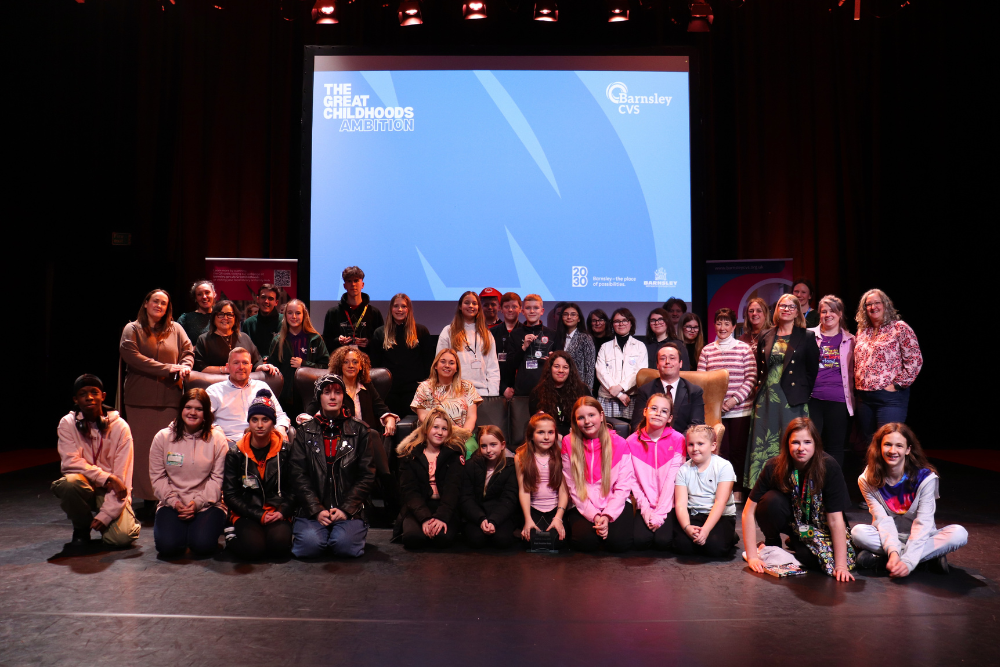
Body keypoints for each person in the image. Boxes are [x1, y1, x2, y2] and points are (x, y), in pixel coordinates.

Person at [743, 417, 856, 581]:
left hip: (819, 528)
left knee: (814, 560)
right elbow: (748, 511)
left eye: (807, 442)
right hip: (793, 523)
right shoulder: (773, 466)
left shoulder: (829, 467)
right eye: (795, 442)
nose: (801, 448)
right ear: (787, 444)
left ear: (816, 443)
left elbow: (835, 519)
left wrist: (840, 566)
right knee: (770, 501)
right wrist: (752, 557)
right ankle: (771, 542)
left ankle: (795, 543)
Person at [852, 423, 967, 576]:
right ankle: (927, 560)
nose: (893, 451)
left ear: (908, 449)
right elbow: (882, 520)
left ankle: (883, 561)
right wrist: (893, 551)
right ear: (879, 447)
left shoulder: (926, 478)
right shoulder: (867, 479)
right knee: (858, 533)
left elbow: (923, 523)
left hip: (922, 537)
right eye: (887, 444)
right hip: (887, 537)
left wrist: (908, 562)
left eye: (899, 446)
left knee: (959, 534)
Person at [119, 288, 194, 516]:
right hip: (140, 400)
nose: (159, 306)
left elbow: (188, 351)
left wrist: (186, 365)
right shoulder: (132, 329)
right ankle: (146, 498)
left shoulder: (176, 329)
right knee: (142, 452)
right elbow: (132, 357)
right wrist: (168, 368)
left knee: (167, 452)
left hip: (170, 398)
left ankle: (165, 495)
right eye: (155, 301)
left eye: (164, 303)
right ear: (146, 303)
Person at [289, 374, 376, 558]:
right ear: (319, 397)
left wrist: (346, 509)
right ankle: (320, 533)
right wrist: (316, 509)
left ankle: (341, 532)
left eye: (338, 392)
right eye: (327, 392)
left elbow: (366, 475)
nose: (333, 397)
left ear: (344, 397)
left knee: (344, 546)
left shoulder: (360, 431)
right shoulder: (304, 432)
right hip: (312, 510)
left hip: (349, 509)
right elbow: (298, 475)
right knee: (309, 548)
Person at [52, 374, 140, 548]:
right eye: (83, 393)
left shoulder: (120, 427)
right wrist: (107, 478)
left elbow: (122, 478)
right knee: (69, 483)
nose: (89, 397)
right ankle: (81, 528)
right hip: (84, 486)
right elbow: (70, 463)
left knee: (121, 539)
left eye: (94, 392)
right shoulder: (67, 423)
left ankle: (122, 519)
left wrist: (106, 515)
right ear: (75, 399)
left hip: (112, 492)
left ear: (103, 396)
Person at [745, 293, 819, 489]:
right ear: (777, 310)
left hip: (792, 400)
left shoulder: (807, 336)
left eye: (791, 306)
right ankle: (762, 487)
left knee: (791, 441)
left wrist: (803, 394)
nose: (786, 309)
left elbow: (812, 371)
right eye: (782, 306)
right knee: (764, 445)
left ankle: (793, 487)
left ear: (797, 312)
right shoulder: (766, 334)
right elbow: (761, 368)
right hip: (767, 399)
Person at [149, 388, 228, 556]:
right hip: (172, 503)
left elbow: (218, 479)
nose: (193, 412)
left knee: (202, 546)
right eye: (188, 407)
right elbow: (158, 478)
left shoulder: (218, 439)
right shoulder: (162, 438)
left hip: (208, 504)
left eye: (199, 409)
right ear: (181, 410)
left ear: (206, 413)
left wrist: (196, 504)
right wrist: (175, 502)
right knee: (168, 548)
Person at [222, 389, 295, 560]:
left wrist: (283, 511)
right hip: (247, 512)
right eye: (254, 420)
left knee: (279, 547)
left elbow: (294, 489)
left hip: (276, 511)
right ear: (249, 422)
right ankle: (231, 534)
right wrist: (259, 515)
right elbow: (231, 495)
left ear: (273, 423)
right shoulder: (236, 453)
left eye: (265, 420)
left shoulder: (286, 451)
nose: (260, 425)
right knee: (254, 550)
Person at [561, 397, 635, 552]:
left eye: (591, 415)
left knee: (619, 543)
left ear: (601, 416)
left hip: (614, 502)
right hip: (583, 502)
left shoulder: (620, 443)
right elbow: (573, 487)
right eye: (581, 418)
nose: (587, 421)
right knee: (585, 543)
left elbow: (623, 486)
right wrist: (594, 515)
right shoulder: (568, 443)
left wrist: (607, 516)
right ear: (575, 421)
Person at [854, 288, 923, 447]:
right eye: (868, 304)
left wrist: (897, 384)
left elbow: (914, 359)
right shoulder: (863, 331)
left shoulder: (899, 327)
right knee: (869, 445)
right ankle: (873, 473)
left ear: (885, 304)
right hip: (864, 398)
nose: (873, 307)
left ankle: (892, 473)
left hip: (890, 398)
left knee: (889, 442)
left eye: (877, 303)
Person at [697, 307, 755, 498]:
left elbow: (751, 378)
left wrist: (732, 401)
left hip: (740, 410)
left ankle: (736, 490)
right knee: (720, 452)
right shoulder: (707, 350)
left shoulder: (743, 349)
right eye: (719, 323)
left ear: (733, 327)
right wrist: (716, 403)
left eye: (726, 323)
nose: (722, 327)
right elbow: (701, 380)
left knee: (738, 452)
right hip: (714, 412)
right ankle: (720, 490)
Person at [395, 409, 467, 549]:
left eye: (444, 429)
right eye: (435, 427)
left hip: (444, 506)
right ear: (426, 429)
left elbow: (453, 490)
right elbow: (410, 492)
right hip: (419, 506)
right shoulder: (411, 455)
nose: (440, 432)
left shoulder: (453, 456)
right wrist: (425, 518)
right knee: (413, 538)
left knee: (442, 539)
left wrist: (441, 517)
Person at [627, 393, 686, 551]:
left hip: (668, 504)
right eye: (654, 408)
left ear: (669, 418)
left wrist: (659, 514)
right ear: (645, 411)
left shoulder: (678, 440)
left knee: (663, 541)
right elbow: (633, 482)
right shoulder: (631, 442)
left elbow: (673, 481)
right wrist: (646, 511)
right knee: (640, 541)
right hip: (645, 503)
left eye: (664, 411)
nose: (658, 413)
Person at [673, 424, 738, 557]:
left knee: (716, 549)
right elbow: (680, 503)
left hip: (720, 516)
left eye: (700, 444)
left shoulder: (724, 466)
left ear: (713, 446)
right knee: (682, 547)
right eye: (691, 444)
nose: (695, 448)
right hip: (695, 514)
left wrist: (706, 530)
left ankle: (731, 536)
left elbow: (720, 502)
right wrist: (687, 527)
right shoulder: (683, 470)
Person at [807, 295, 855, 466]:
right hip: (813, 399)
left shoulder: (851, 340)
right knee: (811, 445)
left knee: (835, 447)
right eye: (823, 311)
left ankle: (833, 487)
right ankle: (812, 488)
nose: (828, 315)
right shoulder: (808, 336)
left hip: (839, 400)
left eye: (832, 311)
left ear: (840, 313)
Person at [206, 348, 290, 445]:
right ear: (228, 367)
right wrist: (215, 430)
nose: (241, 367)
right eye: (236, 363)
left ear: (251, 367)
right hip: (228, 443)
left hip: (261, 442)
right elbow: (202, 419)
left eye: (245, 363)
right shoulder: (214, 391)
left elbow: (279, 415)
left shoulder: (261, 386)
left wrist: (281, 428)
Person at [370, 293, 434, 417]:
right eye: (396, 306)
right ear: (391, 309)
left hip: (414, 392)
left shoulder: (421, 331)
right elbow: (375, 365)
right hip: (389, 392)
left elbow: (428, 363)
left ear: (408, 309)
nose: (400, 310)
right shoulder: (379, 333)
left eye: (403, 306)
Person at [411, 349, 482, 457]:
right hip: (432, 436)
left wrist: (461, 436)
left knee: (468, 451)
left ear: (456, 368)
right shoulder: (424, 387)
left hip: (462, 436)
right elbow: (423, 417)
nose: (447, 365)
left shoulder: (467, 387)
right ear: (435, 365)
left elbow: (471, 417)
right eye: (443, 361)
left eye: (452, 363)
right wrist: (441, 435)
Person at [267, 299, 330, 416]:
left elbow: (326, 367)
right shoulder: (277, 340)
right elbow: (272, 370)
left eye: (298, 313)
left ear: (304, 315)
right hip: (285, 398)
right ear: (285, 315)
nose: (294, 316)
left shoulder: (315, 339)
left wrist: (304, 365)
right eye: (290, 313)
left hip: (311, 396)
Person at [461, 426, 518, 549]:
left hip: (499, 514)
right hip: (478, 513)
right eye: (484, 446)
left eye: (493, 445)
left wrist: (494, 520)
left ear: (502, 445)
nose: (488, 450)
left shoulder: (510, 467)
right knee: (476, 539)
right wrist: (481, 519)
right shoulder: (471, 465)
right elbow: (466, 497)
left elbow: (509, 498)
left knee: (502, 540)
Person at [516, 413, 568, 548]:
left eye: (550, 432)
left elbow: (563, 491)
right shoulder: (521, 457)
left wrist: (558, 517)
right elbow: (523, 490)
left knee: (558, 542)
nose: (546, 437)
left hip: (555, 508)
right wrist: (528, 519)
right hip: (532, 507)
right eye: (540, 432)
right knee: (531, 540)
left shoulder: (561, 455)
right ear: (531, 435)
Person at [630, 343, 705, 434]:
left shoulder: (694, 391)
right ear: (657, 365)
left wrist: (677, 442)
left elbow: (696, 425)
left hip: (682, 444)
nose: (667, 362)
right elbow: (637, 424)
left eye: (672, 358)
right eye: (662, 358)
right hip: (653, 443)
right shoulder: (645, 391)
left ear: (680, 363)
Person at [436, 291, 500, 397]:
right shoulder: (448, 331)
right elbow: (440, 364)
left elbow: (493, 368)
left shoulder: (486, 334)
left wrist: (492, 395)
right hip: (454, 392)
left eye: (474, 303)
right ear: (460, 307)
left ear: (478, 307)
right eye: (467, 302)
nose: (471, 306)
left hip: (482, 393)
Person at [194, 300, 278, 374]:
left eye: (229, 315)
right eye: (220, 314)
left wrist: (264, 367)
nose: (225, 318)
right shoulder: (204, 339)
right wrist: (225, 369)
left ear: (235, 318)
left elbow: (256, 363)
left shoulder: (244, 337)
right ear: (213, 318)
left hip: (242, 387)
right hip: (215, 387)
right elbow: (200, 367)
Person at [595, 308, 648, 420]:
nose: (621, 324)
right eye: (617, 321)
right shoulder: (605, 347)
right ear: (612, 324)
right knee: (607, 432)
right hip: (608, 398)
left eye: (624, 320)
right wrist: (619, 394)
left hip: (630, 398)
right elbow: (601, 371)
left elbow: (640, 372)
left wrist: (620, 387)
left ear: (630, 323)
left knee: (630, 431)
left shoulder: (640, 346)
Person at [503, 294, 557, 398]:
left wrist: (553, 358)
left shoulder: (552, 334)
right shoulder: (515, 334)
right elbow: (510, 366)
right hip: (523, 390)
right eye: (528, 308)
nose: (532, 311)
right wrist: (523, 347)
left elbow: (560, 363)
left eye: (536, 308)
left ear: (542, 311)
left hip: (547, 390)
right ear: (522, 312)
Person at [322, 266, 384, 354]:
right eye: (349, 281)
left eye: (356, 280)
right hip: (341, 362)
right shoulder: (333, 313)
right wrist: (338, 341)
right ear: (344, 286)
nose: (353, 284)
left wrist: (369, 342)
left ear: (362, 285)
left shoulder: (374, 313)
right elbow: (326, 342)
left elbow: (382, 341)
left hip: (367, 363)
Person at [529, 352, 592, 436]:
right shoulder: (537, 392)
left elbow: (590, 416)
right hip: (550, 437)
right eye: (556, 366)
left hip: (576, 436)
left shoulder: (582, 390)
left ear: (570, 370)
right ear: (550, 368)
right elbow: (535, 424)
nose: (561, 370)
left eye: (565, 367)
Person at [553, 302, 596, 390]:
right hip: (558, 386)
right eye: (566, 314)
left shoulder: (585, 338)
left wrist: (587, 390)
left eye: (573, 314)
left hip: (578, 387)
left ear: (579, 318)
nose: (569, 317)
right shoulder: (556, 337)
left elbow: (590, 368)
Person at [490, 292, 523, 390]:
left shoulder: (526, 332)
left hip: (521, 389)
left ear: (520, 309)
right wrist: (503, 388)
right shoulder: (491, 333)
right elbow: (488, 365)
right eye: (506, 306)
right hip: (498, 387)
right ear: (500, 309)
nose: (510, 310)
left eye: (514, 306)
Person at [241, 284, 284, 358]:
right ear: (258, 299)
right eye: (263, 297)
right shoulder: (248, 323)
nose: (266, 301)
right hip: (255, 367)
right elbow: (244, 351)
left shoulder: (284, 321)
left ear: (276, 302)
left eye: (270, 298)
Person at [176, 280, 216, 344]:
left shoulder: (220, 317)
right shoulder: (185, 319)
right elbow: (176, 342)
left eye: (207, 292)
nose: (204, 297)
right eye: (199, 294)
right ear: (195, 298)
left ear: (214, 294)